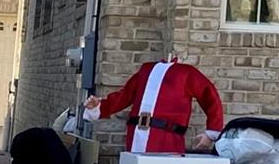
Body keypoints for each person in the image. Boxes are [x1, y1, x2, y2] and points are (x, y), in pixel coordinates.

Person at [83, 56, 225, 155]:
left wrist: (211, 132)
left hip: (166, 137)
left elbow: (210, 96)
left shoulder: (185, 72)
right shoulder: (146, 70)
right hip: (136, 135)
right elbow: (124, 95)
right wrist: (99, 107)